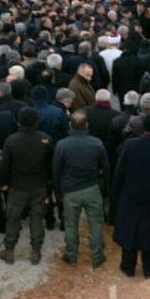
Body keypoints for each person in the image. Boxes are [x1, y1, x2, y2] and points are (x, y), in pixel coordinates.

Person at [112, 112, 150, 278]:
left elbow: (119, 172)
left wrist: (116, 193)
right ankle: (148, 268)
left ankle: (128, 267)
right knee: (149, 232)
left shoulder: (129, 145)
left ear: (144, 127)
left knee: (129, 230)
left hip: (129, 196)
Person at [53, 111, 110, 268]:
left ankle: (71, 256)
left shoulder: (62, 145)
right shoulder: (97, 143)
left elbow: (56, 171)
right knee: (96, 224)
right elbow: (106, 169)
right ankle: (97, 257)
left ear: (70, 125)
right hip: (92, 188)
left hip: (70, 191)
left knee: (71, 225)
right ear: (87, 125)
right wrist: (105, 192)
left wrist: (58, 192)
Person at [0, 107, 53, 265]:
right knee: (37, 218)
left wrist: (3, 183)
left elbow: (4, 166)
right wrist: (49, 180)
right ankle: (36, 251)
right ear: (36, 121)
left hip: (17, 187)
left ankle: (9, 250)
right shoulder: (46, 139)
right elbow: (50, 163)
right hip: (39, 185)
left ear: (19, 121)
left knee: (13, 218)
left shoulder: (11, 140)